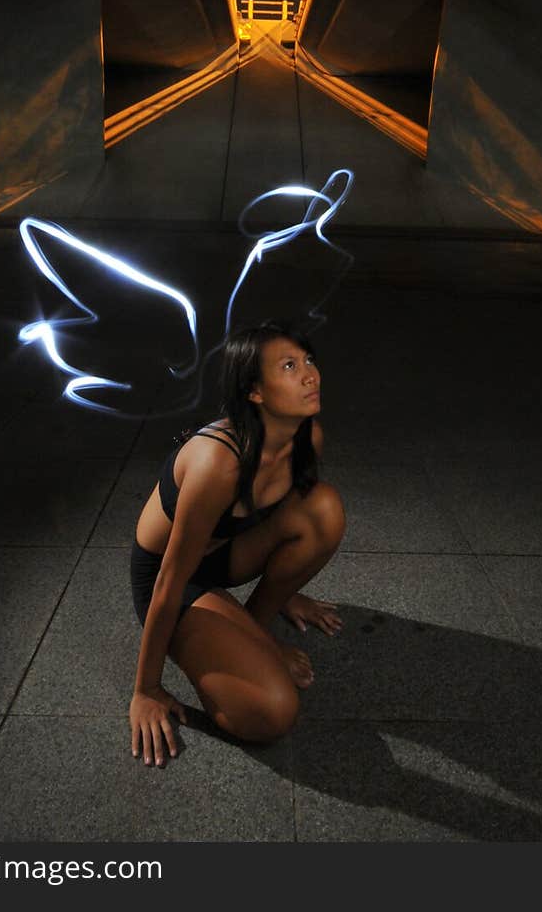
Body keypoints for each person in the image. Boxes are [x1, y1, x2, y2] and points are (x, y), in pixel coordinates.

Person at [129, 321, 346, 766]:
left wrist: (286, 587)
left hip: (225, 554)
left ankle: (255, 627)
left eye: (308, 361)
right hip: (170, 580)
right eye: (289, 366)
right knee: (273, 714)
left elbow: (285, 515)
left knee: (324, 510)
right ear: (255, 392)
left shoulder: (309, 438)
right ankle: (242, 641)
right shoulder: (217, 463)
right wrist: (145, 690)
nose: (310, 374)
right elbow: (169, 582)